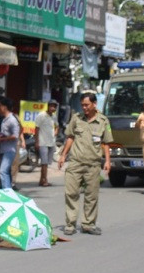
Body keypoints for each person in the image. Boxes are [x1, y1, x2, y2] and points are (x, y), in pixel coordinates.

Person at [57, 92, 112, 235]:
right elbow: (70, 137)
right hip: (75, 162)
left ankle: (88, 224)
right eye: (82, 105)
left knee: (91, 195)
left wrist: (107, 161)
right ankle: (70, 224)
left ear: (94, 104)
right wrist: (63, 155)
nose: (84, 108)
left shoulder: (103, 121)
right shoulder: (76, 118)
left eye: (87, 105)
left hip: (93, 164)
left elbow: (106, 143)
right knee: (71, 193)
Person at [0, 96, 20, 190]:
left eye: (0, 106)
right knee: (6, 172)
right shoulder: (4, 119)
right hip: (3, 150)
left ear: (5, 107)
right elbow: (5, 134)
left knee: (3, 171)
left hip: (9, 150)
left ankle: (7, 192)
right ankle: (7, 190)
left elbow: (15, 136)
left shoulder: (12, 120)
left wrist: (2, 139)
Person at [34, 100, 59, 187]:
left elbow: (57, 126)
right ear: (48, 106)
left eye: (54, 107)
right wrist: (37, 142)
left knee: (46, 163)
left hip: (51, 142)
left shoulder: (54, 116)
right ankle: (45, 180)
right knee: (44, 162)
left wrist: (55, 132)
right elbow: (36, 129)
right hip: (42, 142)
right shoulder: (41, 115)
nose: (53, 108)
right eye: (51, 106)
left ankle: (42, 180)